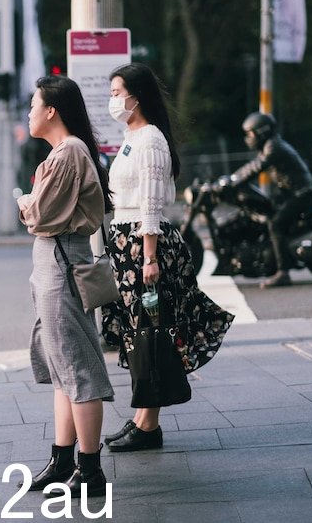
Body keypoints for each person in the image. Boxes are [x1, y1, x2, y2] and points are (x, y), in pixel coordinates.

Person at [101, 63, 234, 452]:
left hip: (145, 246)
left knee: (151, 332)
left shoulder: (151, 141)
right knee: (138, 332)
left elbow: (151, 205)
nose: (112, 101)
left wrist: (150, 257)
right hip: (126, 243)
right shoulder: (131, 137)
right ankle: (143, 418)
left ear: (135, 97)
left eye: (116, 93)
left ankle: (149, 425)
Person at [16, 75, 115, 498]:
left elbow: (39, 217)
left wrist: (23, 201)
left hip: (61, 262)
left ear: (51, 110)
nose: (29, 112)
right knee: (62, 369)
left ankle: (89, 470)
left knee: (77, 368)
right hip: (55, 263)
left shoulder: (69, 152)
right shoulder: (64, 152)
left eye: (33, 105)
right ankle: (63, 460)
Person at [228, 112, 312, 288]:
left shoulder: (273, 147)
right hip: (291, 194)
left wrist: (233, 181)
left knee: (275, 224)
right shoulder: (271, 144)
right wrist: (231, 179)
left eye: (251, 134)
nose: (249, 138)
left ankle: (283, 272)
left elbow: (257, 166)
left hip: (301, 195)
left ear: (262, 132)